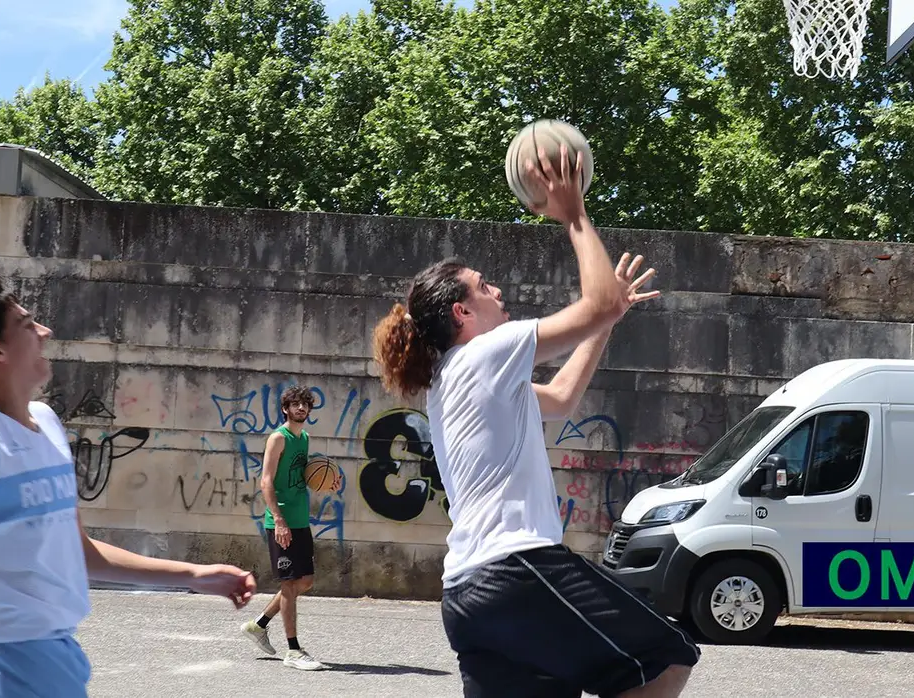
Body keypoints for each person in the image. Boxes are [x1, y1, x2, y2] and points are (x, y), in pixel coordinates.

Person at [371, 145, 701, 697]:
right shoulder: (487, 352)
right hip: (516, 569)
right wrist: (573, 215)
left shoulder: (458, 380)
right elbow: (595, 301)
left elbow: (565, 396)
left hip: (468, 595)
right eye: (483, 285)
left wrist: (605, 320)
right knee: (666, 659)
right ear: (462, 312)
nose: (497, 291)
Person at [0, 275, 258, 698]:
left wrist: (192, 574)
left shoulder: (45, 422)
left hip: (58, 655)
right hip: (7, 660)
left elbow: (78, 552)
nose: (45, 331)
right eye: (27, 325)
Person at [238, 385, 322, 671]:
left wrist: (327, 481)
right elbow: (266, 481)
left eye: (305, 404)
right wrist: (279, 519)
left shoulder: (305, 438)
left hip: (300, 519)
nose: (301, 408)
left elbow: (304, 474)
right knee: (288, 583)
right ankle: (294, 650)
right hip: (282, 521)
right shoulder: (278, 438)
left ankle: (258, 625)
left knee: (305, 581)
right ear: (286, 408)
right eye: (295, 404)